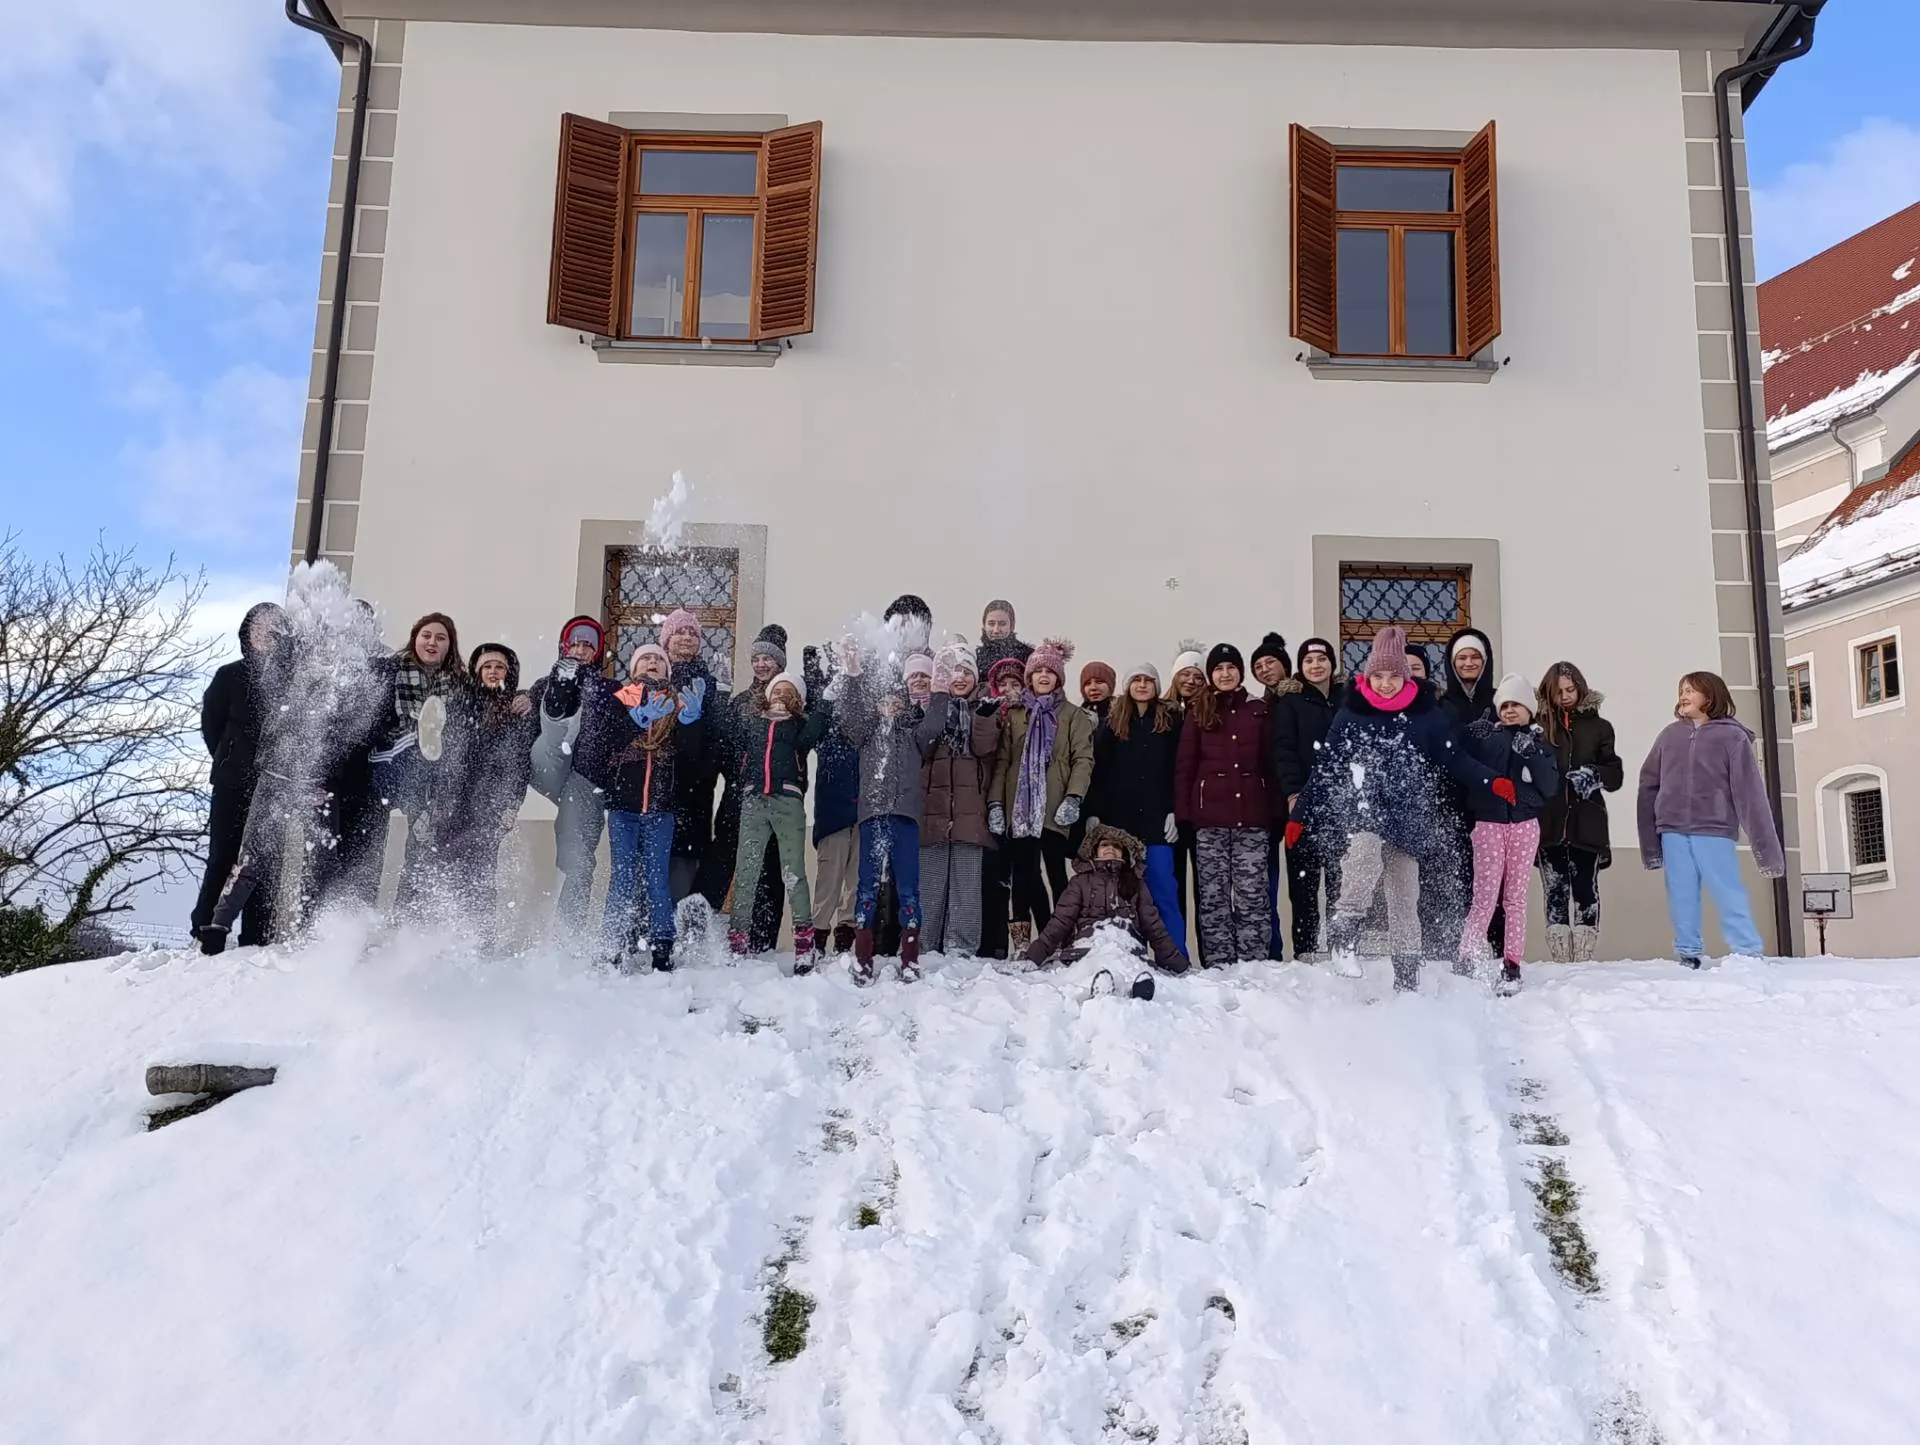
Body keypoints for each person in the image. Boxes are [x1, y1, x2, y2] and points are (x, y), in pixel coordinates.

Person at [1288, 626, 1495, 992]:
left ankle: (1407, 979)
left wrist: (1491, 781)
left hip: (1408, 817)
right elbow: (1326, 767)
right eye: (1378, 676)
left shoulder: (1426, 715)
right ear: (1368, 676)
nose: (1385, 684)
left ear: (1405, 677)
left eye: (1393, 676)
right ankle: (1344, 933)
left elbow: (1454, 758)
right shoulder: (1352, 714)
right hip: (1365, 810)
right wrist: (1299, 815)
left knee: (1405, 897)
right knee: (1365, 855)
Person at [1636, 671, 1785, 966]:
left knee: (1726, 887)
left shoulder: (1732, 737)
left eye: (1691, 690)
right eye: (1681, 690)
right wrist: (1650, 845)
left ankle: (1747, 950)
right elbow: (1648, 785)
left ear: (1710, 696)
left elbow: (1750, 794)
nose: (1683, 696)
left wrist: (1767, 853)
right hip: (1672, 828)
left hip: (1713, 828)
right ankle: (1688, 951)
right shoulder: (1669, 736)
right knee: (1681, 891)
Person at [578, 641, 708, 971]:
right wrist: (636, 721)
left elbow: (692, 756)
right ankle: (612, 943)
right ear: (634, 667)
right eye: (645, 658)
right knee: (622, 878)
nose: (652, 662)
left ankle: (662, 943)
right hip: (623, 807)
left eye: (658, 659)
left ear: (667, 669)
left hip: (661, 809)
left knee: (656, 877)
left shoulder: (677, 703)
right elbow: (605, 741)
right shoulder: (621, 698)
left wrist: (691, 722)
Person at [836, 640, 941, 981]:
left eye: (896, 700)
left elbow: (934, 726)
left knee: (908, 888)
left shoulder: (914, 734)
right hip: (872, 816)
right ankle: (863, 956)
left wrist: (940, 687)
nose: (890, 705)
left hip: (906, 818)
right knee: (868, 886)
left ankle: (910, 957)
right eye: (884, 700)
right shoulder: (866, 734)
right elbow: (850, 716)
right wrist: (853, 676)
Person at [411, 643, 537, 919]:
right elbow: (441, 756)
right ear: (477, 672)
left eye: (499, 667)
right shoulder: (460, 704)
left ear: (509, 672)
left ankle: (479, 935)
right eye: (487, 667)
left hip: (490, 806)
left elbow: (518, 765)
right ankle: (438, 930)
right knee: (443, 867)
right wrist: (434, 800)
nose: (493, 672)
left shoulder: (518, 711)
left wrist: (511, 805)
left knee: (481, 872)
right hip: (452, 801)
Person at [988, 638, 1096, 954]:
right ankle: (1026, 940)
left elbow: (1083, 759)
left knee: (1056, 873)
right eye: (1038, 672)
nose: (1044, 676)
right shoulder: (1016, 714)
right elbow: (1003, 761)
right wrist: (996, 803)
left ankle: (1061, 937)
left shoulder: (1073, 716)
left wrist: (1073, 797)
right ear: (1030, 677)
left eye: (1050, 671)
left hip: (1053, 806)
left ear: (1059, 677)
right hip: (1020, 807)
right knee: (1024, 875)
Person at [192, 603, 290, 950]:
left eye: (275, 627)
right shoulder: (229, 675)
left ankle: (256, 934)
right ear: (248, 633)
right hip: (233, 782)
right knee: (224, 854)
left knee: (265, 859)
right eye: (260, 626)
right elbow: (212, 725)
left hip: (275, 785)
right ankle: (206, 926)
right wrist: (229, 759)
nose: (267, 633)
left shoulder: (291, 681)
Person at [1455, 674, 1560, 994]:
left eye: (1517, 704)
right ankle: (1466, 956)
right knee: (1484, 896)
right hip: (1489, 824)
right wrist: (1468, 736)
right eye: (1505, 705)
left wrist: (1531, 754)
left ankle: (1511, 963)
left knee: (1515, 898)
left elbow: (1549, 787)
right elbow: (1465, 768)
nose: (1510, 710)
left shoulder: (1539, 746)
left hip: (1524, 826)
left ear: (1530, 709)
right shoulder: (1488, 739)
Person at [1174, 643, 1275, 966]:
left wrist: (1274, 813)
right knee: (1213, 897)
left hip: (1252, 819)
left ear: (1240, 673)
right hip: (1210, 822)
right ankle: (1219, 965)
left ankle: (1253, 964)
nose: (1225, 674)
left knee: (1252, 895)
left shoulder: (1259, 710)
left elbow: (1271, 766)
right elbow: (1185, 767)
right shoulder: (1199, 712)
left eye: (1231, 667)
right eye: (1218, 669)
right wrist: (1184, 816)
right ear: (1211, 675)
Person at [726, 669, 828, 967]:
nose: (782, 694)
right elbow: (728, 732)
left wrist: (823, 692)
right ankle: (737, 940)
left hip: (787, 801)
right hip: (754, 800)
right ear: (768, 695)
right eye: (777, 690)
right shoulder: (753, 723)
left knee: (793, 872)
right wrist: (720, 694)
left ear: (798, 700)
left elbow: (819, 725)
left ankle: (804, 943)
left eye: (789, 691)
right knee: (747, 871)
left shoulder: (799, 726)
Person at [1087, 663, 1187, 958]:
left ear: (1156, 686)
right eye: (1136, 680)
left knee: (1164, 890)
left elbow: (1179, 770)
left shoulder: (1170, 723)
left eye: (1148, 680)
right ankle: (1131, 956)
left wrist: (1175, 810)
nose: (1142, 685)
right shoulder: (1112, 724)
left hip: (1158, 823)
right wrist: (1094, 812)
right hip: (1121, 825)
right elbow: (1099, 773)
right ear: (1127, 686)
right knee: (1125, 895)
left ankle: (1175, 957)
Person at [366, 613, 468, 892]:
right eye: (426, 636)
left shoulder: (458, 683)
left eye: (440, 638)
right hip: (387, 760)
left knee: (423, 840)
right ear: (415, 639)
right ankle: (359, 907)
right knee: (369, 841)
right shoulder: (390, 670)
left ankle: (409, 908)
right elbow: (371, 717)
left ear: (449, 645)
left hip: (429, 773)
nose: (432, 642)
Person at [527, 615, 613, 937]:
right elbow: (523, 722)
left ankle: (567, 933)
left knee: (578, 860)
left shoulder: (607, 690)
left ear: (597, 652)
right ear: (564, 647)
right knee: (551, 733)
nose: (580, 650)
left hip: (584, 782)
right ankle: (559, 704)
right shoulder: (542, 686)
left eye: (587, 645)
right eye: (574, 644)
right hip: (549, 767)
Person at [709, 625, 791, 951]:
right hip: (738, 797)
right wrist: (719, 698)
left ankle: (763, 943)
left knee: (769, 869)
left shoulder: (788, 701)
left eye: (767, 658)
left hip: (774, 798)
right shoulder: (741, 701)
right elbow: (723, 747)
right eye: (756, 658)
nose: (761, 664)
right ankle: (713, 936)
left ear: (779, 662)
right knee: (724, 861)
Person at [1535, 661, 1624, 962]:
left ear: (1581, 688)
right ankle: (1560, 956)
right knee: (1555, 889)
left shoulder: (1599, 727)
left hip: (1587, 820)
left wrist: (1594, 775)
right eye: (1558, 691)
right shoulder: (1538, 726)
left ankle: (1584, 955)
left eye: (1570, 689)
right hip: (1549, 821)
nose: (1565, 696)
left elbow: (1615, 774)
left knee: (1585, 888)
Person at [919, 640, 1001, 956]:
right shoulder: (930, 709)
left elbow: (984, 748)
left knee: (966, 887)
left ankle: (962, 948)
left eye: (966, 672)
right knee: (930, 885)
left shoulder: (983, 709)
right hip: (933, 812)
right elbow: (923, 745)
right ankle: (924, 945)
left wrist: (984, 717)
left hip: (970, 813)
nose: (960, 678)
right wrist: (938, 702)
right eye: (954, 672)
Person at [1023, 823, 1187, 974]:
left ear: (1124, 854)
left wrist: (1179, 965)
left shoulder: (1137, 884)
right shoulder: (1080, 882)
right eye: (1105, 845)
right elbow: (1060, 922)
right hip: (1087, 950)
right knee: (1097, 963)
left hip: (1128, 950)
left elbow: (1154, 927)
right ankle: (1104, 982)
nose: (1110, 848)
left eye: (1116, 846)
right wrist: (1033, 957)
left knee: (1124, 963)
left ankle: (1136, 985)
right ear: (1095, 850)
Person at [1271, 637, 1343, 960]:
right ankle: (1306, 953)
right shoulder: (1291, 704)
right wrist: (1292, 792)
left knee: (1342, 885)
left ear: (1332, 664)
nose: (1316, 666)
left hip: (1343, 807)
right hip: (1304, 805)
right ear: (1301, 667)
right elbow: (1283, 751)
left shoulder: (1347, 700)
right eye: (1309, 661)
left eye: (1322, 659)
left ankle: (1342, 950)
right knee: (1304, 884)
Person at [658, 608, 724, 909]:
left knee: (684, 865)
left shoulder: (707, 683)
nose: (686, 638)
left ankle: (678, 928)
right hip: (657, 785)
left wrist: (704, 770)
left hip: (695, 788)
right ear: (666, 639)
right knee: (652, 861)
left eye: (692, 633)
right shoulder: (655, 676)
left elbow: (715, 734)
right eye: (679, 632)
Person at [805, 644, 861, 957]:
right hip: (832, 814)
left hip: (863, 812)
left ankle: (845, 941)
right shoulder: (827, 730)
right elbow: (814, 716)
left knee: (855, 883)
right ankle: (817, 940)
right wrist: (813, 676)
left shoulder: (863, 726)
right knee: (829, 881)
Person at [977, 655, 1030, 958]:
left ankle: (1023, 941)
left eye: (1015, 683)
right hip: (988, 805)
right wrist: (994, 802)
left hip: (1022, 807)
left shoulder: (1029, 715)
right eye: (1003, 684)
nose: (1009, 689)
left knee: (1024, 877)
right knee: (993, 877)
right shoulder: (989, 713)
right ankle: (993, 943)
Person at [1165, 641, 1207, 934]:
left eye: (1197, 676)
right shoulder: (1162, 712)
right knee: (1173, 886)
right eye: (1185, 674)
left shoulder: (1208, 712)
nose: (1190, 681)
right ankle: (1176, 949)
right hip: (1169, 811)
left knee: (1206, 889)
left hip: (1201, 810)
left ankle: (1208, 952)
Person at [976, 599, 1033, 677]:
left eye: (1002, 624)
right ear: (984, 625)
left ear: (1012, 626)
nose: (996, 630)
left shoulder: (1028, 656)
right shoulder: (975, 657)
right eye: (991, 624)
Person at [1250, 633, 1292, 697]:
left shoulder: (1304, 697)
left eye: (1270, 662)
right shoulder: (1257, 702)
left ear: (1284, 665)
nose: (1265, 669)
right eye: (1258, 667)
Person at [1079, 662, 1116, 726]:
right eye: (1088, 683)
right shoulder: (1076, 717)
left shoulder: (1122, 714)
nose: (1093, 687)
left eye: (1099, 682)